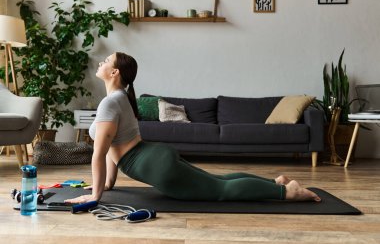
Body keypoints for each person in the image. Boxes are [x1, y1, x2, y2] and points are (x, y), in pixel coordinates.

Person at [65, 52, 321, 204]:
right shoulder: (120, 98)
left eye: (106, 60)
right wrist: (108, 184)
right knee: (216, 181)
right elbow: (111, 148)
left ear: (114, 72)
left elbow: (100, 154)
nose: (101, 63)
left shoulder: (111, 102)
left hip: (152, 165)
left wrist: (95, 196)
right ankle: (276, 182)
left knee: (219, 191)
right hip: (153, 156)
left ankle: (286, 192)